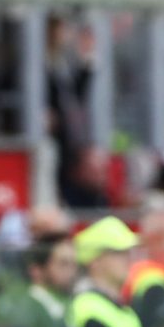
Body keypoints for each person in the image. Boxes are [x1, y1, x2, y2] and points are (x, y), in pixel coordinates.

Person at [46, 15, 93, 200]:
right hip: (49, 135)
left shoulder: (63, 61)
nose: (64, 36)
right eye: (60, 30)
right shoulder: (39, 60)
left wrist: (86, 60)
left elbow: (75, 95)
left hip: (66, 135)